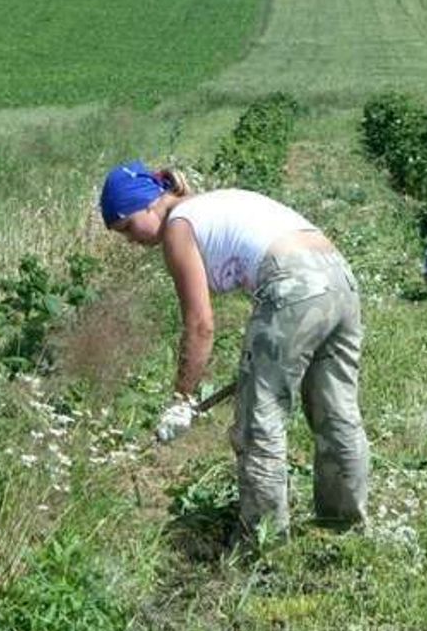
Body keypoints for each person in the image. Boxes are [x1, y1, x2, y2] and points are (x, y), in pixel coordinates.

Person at [99, 161, 369, 538]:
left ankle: (265, 543)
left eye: (127, 226)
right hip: (339, 277)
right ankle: (344, 526)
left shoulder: (180, 226)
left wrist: (182, 398)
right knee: (336, 411)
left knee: (259, 424)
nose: (131, 239)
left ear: (148, 203)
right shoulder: (213, 204)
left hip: (294, 282)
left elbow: (199, 324)